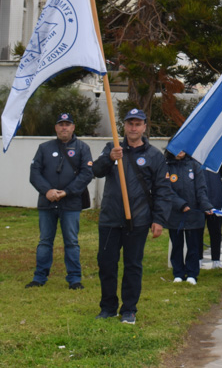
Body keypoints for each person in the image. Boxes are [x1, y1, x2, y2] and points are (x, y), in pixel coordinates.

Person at [92, 108, 173, 325]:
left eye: (138, 124)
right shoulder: (112, 148)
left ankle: (129, 309)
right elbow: (96, 170)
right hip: (110, 218)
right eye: (130, 124)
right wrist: (110, 158)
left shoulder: (154, 156)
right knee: (107, 264)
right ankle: (107, 308)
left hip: (138, 220)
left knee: (132, 266)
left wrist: (159, 220)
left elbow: (163, 190)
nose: (133, 128)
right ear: (124, 126)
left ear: (145, 126)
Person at [26, 112, 94, 290]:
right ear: (56, 127)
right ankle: (39, 277)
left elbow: (87, 174)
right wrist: (47, 191)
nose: (64, 127)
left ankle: (74, 279)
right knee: (45, 241)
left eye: (67, 124)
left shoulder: (82, 148)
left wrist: (67, 192)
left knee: (71, 241)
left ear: (73, 127)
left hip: (71, 203)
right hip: (47, 203)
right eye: (61, 124)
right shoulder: (44, 148)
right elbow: (34, 173)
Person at [166, 148, 213, 284]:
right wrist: (180, 204)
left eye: (183, 148)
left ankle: (192, 274)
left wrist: (206, 206)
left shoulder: (195, 166)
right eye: (177, 148)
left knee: (193, 245)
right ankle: (178, 274)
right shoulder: (166, 167)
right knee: (177, 244)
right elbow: (166, 189)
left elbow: (201, 189)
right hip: (175, 213)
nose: (180, 151)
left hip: (193, 213)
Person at [203, 161, 222, 269]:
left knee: (216, 232)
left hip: (216, 199)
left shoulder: (217, 157)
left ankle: (216, 259)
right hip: (200, 200)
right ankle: (198, 258)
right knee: (197, 231)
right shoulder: (194, 156)